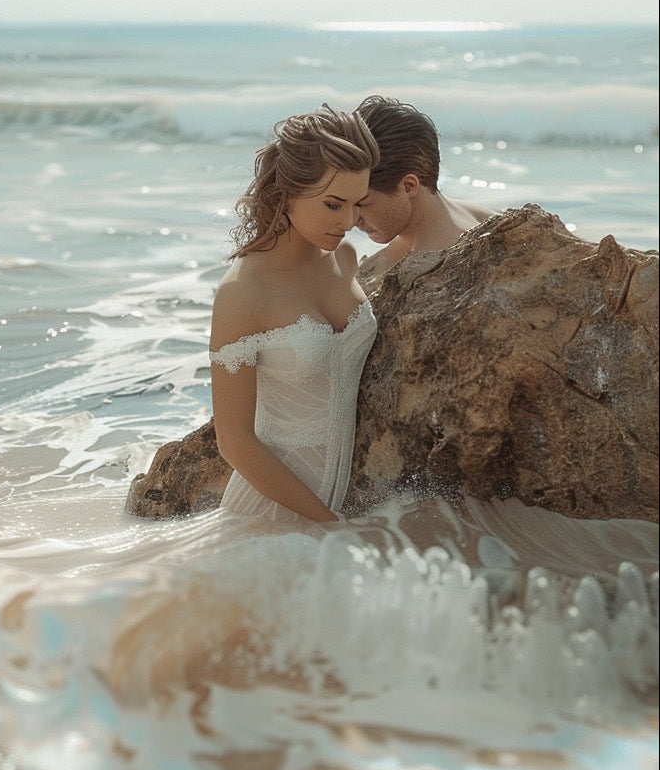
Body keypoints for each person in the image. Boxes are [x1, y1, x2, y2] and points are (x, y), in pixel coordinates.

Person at [208, 105, 380, 525]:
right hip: (266, 516)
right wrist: (326, 522)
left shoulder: (345, 258)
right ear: (284, 195)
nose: (350, 221)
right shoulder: (242, 293)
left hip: (339, 509)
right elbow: (234, 442)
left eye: (358, 204)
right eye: (334, 205)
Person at [353, 95, 495, 288]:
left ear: (408, 186)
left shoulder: (434, 274)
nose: (352, 219)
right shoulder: (480, 216)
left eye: (361, 203)